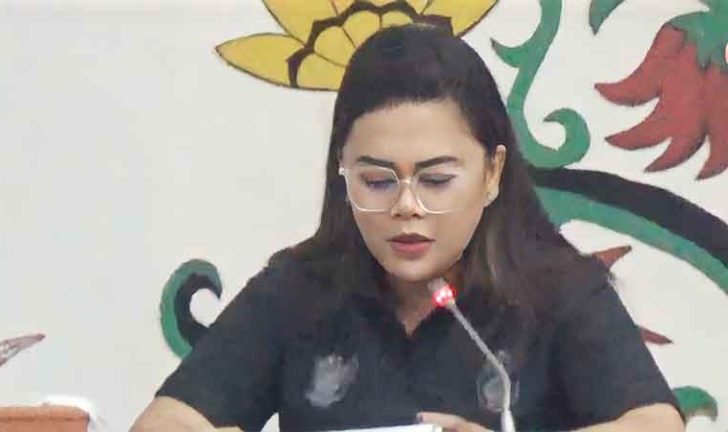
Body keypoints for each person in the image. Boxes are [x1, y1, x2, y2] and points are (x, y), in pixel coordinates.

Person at [132, 25, 684, 432]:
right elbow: (166, 420)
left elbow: (654, 424)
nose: (406, 207)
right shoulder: (300, 288)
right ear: (343, 173)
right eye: (376, 181)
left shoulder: (558, 288)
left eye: (436, 180)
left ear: (492, 173)